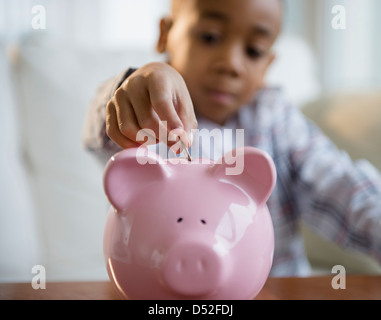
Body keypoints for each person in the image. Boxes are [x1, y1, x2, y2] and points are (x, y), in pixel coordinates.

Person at [82, 0, 381, 276]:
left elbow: (338, 185)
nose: (231, 64)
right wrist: (132, 90)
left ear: (268, 64)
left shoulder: (276, 120)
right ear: (166, 34)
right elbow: (103, 135)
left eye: (253, 51)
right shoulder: (149, 116)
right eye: (210, 37)